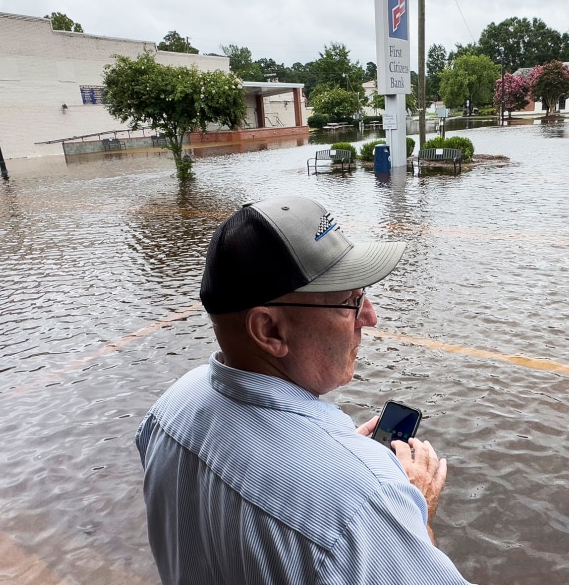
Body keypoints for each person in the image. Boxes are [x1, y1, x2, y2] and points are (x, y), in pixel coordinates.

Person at [135, 195, 471, 584]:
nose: (371, 317)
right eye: (350, 301)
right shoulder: (366, 504)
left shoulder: (167, 411)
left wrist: (341, 451)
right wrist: (413, 517)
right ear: (269, 330)